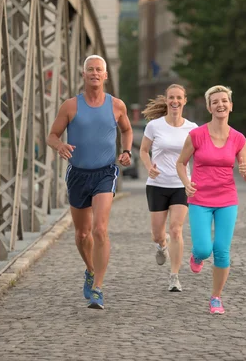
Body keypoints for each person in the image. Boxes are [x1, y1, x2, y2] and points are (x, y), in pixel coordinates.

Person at [47, 55, 133, 309]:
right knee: (82, 233)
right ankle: (90, 269)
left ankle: (98, 289)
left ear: (105, 76)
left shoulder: (117, 105)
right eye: (90, 70)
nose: (95, 73)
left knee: (100, 229)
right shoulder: (70, 106)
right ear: (83, 75)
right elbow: (52, 135)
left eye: (99, 70)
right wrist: (60, 145)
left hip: (105, 172)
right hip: (78, 174)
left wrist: (126, 151)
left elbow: (127, 130)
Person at [176, 85, 246, 314]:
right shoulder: (197, 135)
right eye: (216, 102)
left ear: (230, 105)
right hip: (200, 198)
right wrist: (186, 182)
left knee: (221, 250)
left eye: (224, 101)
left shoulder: (238, 139)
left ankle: (216, 297)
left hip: (227, 199)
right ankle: (196, 256)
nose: (221, 105)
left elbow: (245, 168)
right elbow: (181, 163)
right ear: (209, 107)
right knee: (203, 248)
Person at [140, 85, 198, 292]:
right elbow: (144, 150)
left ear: (184, 100)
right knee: (158, 233)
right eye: (171, 97)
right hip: (157, 185)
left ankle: (174, 276)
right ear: (166, 100)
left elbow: (199, 157)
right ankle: (161, 246)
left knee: (176, 229)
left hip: (181, 185)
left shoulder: (192, 128)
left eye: (179, 98)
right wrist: (149, 167)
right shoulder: (155, 126)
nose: (175, 101)